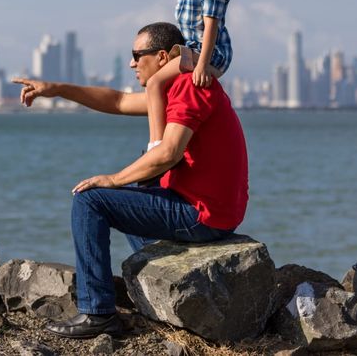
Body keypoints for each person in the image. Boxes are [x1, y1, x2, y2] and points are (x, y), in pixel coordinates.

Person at [13, 22, 248, 340]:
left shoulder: (190, 85)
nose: (132, 63)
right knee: (138, 176)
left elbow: (168, 152)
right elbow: (118, 101)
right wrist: (57, 89)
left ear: (162, 57)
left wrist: (113, 179)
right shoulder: (172, 87)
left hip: (202, 214)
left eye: (138, 55)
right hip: (205, 208)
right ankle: (153, 265)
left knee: (91, 200)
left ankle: (98, 313)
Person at [84, 0, 233, 155]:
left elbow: (211, 26)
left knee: (154, 83)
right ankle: (163, 140)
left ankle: (155, 145)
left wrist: (203, 66)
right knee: (162, 84)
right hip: (190, 51)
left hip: (210, 55)